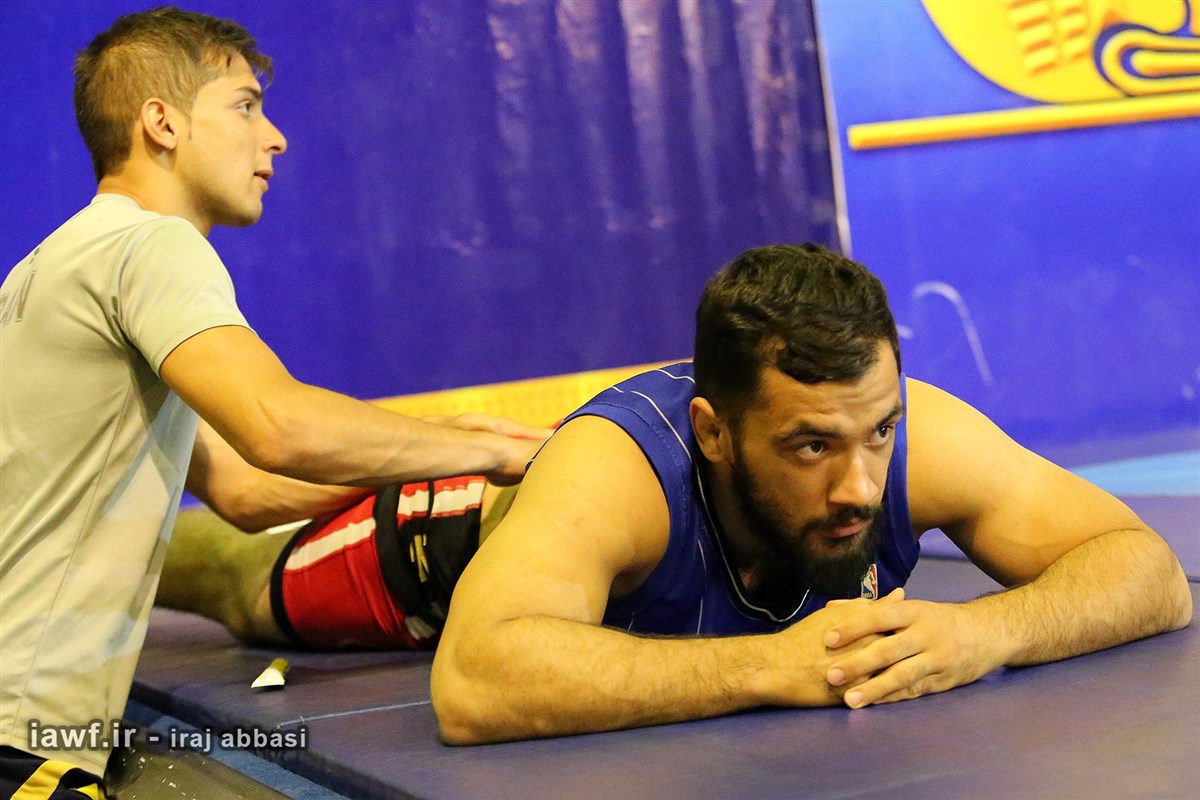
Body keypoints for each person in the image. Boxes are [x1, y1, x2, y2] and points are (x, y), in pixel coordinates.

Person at [0, 7, 547, 795]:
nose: (275, 137)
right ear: (162, 123)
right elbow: (279, 428)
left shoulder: (52, 263)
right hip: (23, 734)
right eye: (245, 106)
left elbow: (245, 491)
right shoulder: (151, 244)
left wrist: (446, 442)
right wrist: (491, 451)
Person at [426, 243, 1193, 744]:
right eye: (812, 446)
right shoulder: (622, 470)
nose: (859, 487)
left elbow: (1148, 569)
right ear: (715, 432)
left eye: (879, 431)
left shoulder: (918, 436)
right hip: (415, 552)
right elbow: (473, 679)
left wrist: (988, 632)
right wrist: (767, 667)